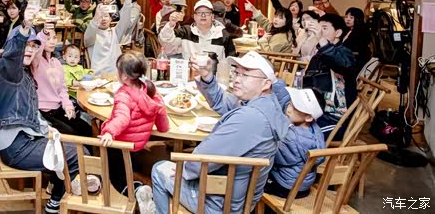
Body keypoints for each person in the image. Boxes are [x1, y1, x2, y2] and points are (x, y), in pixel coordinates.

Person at [152, 51, 287, 213]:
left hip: (220, 203)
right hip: (242, 197)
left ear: (266, 83)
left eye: (245, 75)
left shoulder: (250, 118)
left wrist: (185, 169)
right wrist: (207, 76)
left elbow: (202, 158)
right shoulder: (267, 104)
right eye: (236, 72)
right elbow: (223, 102)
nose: (236, 79)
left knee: (159, 168)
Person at [0, 4, 83, 214]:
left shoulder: (25, 73)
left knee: (75, 145)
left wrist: (46, 128)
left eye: (33, 46)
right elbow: (13, 53)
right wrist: (25, 25)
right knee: (76, 153)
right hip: (16, 146)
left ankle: (59, 190)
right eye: (26, 45)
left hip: (27, 137)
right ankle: (56, 201)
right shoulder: (7, 70)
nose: (30, 49)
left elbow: (31, 111)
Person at [98, 52, 167, 214]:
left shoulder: (123, 94)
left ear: (123, 76)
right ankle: (140, 184)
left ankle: (137, 190)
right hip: (138, 145)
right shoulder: (149, 88)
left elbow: (122, 118)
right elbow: (161, 111)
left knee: (115, 177)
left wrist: (109, 132)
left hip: (121, 145)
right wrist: (163, 128)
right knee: (129, 167)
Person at [266, 82, 326, 199]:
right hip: (303, 185)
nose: (288, 109)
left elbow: (272, 155)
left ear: (309, 117)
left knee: (251, 178)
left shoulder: (292, 138)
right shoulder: (314, 129)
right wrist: (275, 82)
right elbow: (284, 97)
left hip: (286, 186)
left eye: (294, 108)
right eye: (290, 104)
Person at [302, 14, 357, 139]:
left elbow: (343, 65)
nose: (320, 31)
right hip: (316, 112)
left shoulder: (345, 52)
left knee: (300, 136)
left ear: (338, 33)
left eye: (324, 28)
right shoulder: (319, 54)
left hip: (335, 119)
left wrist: (321, 40)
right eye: (319, 27)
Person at [32, 28, 92, 136]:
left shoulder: (57, 63)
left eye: (54, 37)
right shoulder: (36, 62)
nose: (52, 41)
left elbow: (63, 89)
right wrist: (44, 33)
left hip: (59, 108)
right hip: (44, 112)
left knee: (86, 129)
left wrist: (68, 106)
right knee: (73, 133)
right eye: (48, 38)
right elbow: (37, 49)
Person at [158, 0, 236, 68]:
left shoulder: (223, 34)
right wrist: (171, 24)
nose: (203, 15)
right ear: (194, 16)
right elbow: (165, 41)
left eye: (207, 12)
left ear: (212, 16)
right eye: (199, 12)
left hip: (215, 77)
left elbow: (231, 61)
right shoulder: (186, 31)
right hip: (189, 76)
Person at [84, 0, 134, 75]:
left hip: (116, 75)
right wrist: (96, 17)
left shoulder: (115, 32)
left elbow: (124, 20)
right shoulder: (93, 34)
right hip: (98, 76)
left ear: (111, 19)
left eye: (106, 16)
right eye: (101, 16)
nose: (103, 19)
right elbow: (87, 38)